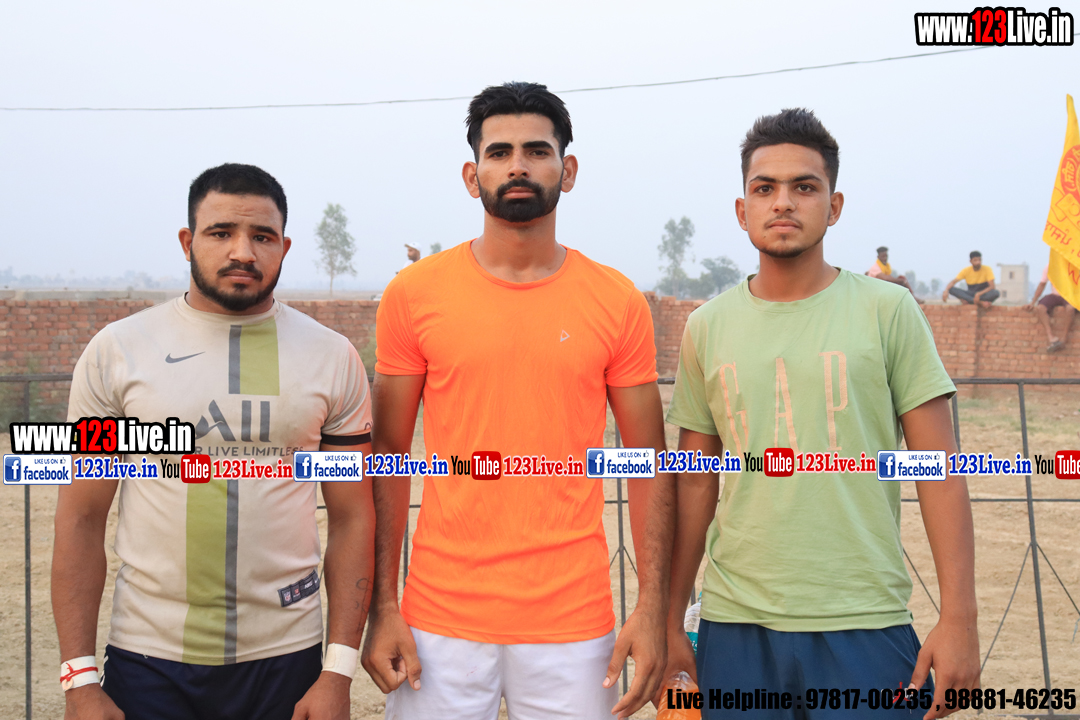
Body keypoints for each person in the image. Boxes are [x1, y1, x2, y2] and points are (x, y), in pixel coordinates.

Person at [361, 82, 674, 720]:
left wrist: (651, 609)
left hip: (575, 622)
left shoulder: (616, 301)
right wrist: (383, 606)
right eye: (499, 152)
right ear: (472, 175)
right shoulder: (414, 295)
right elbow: (387, 457)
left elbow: (647, 463)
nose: (518, 165)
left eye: (537, 150)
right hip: (438, 618)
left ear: (568, 169)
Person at [662, 109, 980, 719]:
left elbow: (940, 470)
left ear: (833, 207)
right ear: (742, 210)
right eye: (765, 188)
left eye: (804, 187)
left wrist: (960, 619)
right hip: (735, 623)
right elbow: (695, 481)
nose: (783, 202)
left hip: (863, 617)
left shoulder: (888, 311)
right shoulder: (706, 327)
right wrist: (672, 617)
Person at [53, 163, 375, 720]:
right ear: (188, 242)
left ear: (284, 247)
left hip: (288, 656)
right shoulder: (117, 351)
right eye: (221, 232)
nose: (242, 252)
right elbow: (81, 518)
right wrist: (79, 680)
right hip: (148, 658)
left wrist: (338, 671)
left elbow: (353, 517)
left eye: (262, 236)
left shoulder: (332, 356)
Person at [1028, 263, 1076, 352]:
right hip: (1055, 295)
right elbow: (1042, 284)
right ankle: (1051, 337)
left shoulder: (1072, 264)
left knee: (1070, 309)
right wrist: (1033, 302)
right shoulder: (1050, 266)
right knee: (1040, 308)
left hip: (1070, 295)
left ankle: (1063, 339)